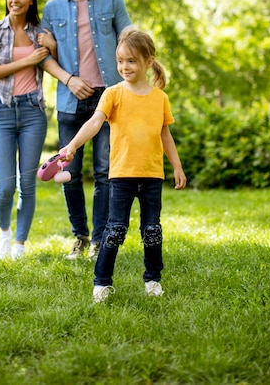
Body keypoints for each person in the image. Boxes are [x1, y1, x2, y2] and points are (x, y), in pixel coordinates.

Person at [60, 27, 187, 302]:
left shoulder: (159, 99)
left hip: (152, 175)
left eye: (131, 61)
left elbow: (165, 134)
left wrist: (176, 166)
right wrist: (72, 145)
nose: (124, 66)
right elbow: (95, 122)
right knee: (115, 229)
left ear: (148, 62)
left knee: (151, 230)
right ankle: (101, 283)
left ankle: (153, 280)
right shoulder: (113, 94)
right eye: (120, 61)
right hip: (121, 175)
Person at [39, 0, 132, 260]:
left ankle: (99, 239)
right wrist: (69, 79)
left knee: (105, 171)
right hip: (70, 99)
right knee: (70, 171)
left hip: (108, 99)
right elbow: (43, 56)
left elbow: (129, 39)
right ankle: (78, 236)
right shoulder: (51, 8)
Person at [0, 0, 57, 260]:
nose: (15, 0)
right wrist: (26, 61)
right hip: (1, 111)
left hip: (32, 113)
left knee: (27, 184)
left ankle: (21, 244)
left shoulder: (39, 32)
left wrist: (52, 45)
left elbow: (56, 63)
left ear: (30, 0)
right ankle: (4, 232)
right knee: (5, 186)